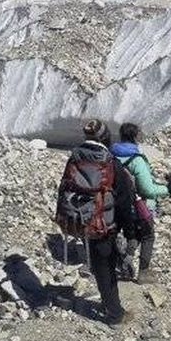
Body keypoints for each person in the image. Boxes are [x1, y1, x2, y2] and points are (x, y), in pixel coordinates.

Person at [55, 119, 137, 325]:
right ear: (105, 137)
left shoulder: (74, 158)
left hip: (82, 220)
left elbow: (65, 188)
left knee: (99, 265)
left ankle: (111, 305)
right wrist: (130, 232)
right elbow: (125, 200)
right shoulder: (110, 163)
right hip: (105, 225)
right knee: (107, 268)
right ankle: (115, 315)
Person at [111, 123, 171, 284]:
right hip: (137, 206)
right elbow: (147, 189)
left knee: (133, 234)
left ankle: (125, 260)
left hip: (116, 205)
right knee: (148, 236)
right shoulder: (136, 160)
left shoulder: (111, 156)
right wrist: (168, 189)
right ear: (135, 137)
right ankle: (143, 273)